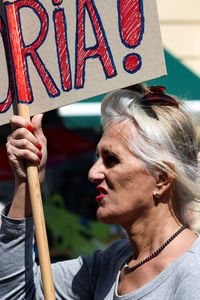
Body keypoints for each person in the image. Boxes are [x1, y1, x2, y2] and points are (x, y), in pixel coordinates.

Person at [1, 84, 200, 299]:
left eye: (112, 160)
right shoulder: (110, 265)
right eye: (98, 158)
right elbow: (16, 293)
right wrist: (26, 180)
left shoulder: (193, 274)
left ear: (161, 178)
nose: (93, 173)